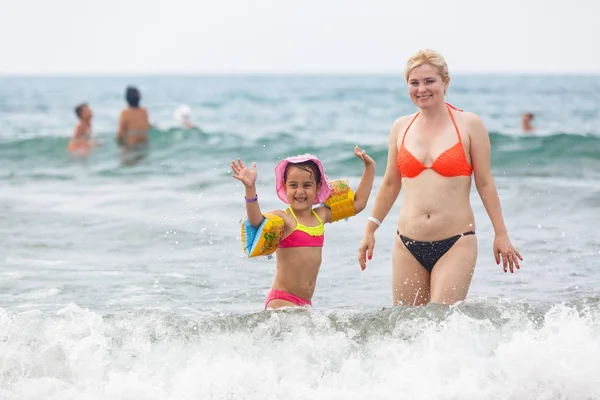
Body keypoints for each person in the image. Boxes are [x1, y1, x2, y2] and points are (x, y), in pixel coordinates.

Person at [358, 49, 523, 307]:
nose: (421, 89)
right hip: (406, 243)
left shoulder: (470, 124)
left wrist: (501, 234)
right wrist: (370, 229)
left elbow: (485, 183)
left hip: (456, 242)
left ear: (445, 83)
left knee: (439, 321)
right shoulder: (401, 127)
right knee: (405, 326)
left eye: (429, 81)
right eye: (414, 83)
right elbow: (390, 184)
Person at [232, 146, 375, 309]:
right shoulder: (284, 218)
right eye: (293, 185)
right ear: (285, 187)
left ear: (318, 187)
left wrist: (369, 168)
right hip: (282, 300)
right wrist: (250, 188)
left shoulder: (320, 216)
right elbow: (256, 221)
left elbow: (358, 204)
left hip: (305, 304)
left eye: (307, 185)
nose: (300, 191)